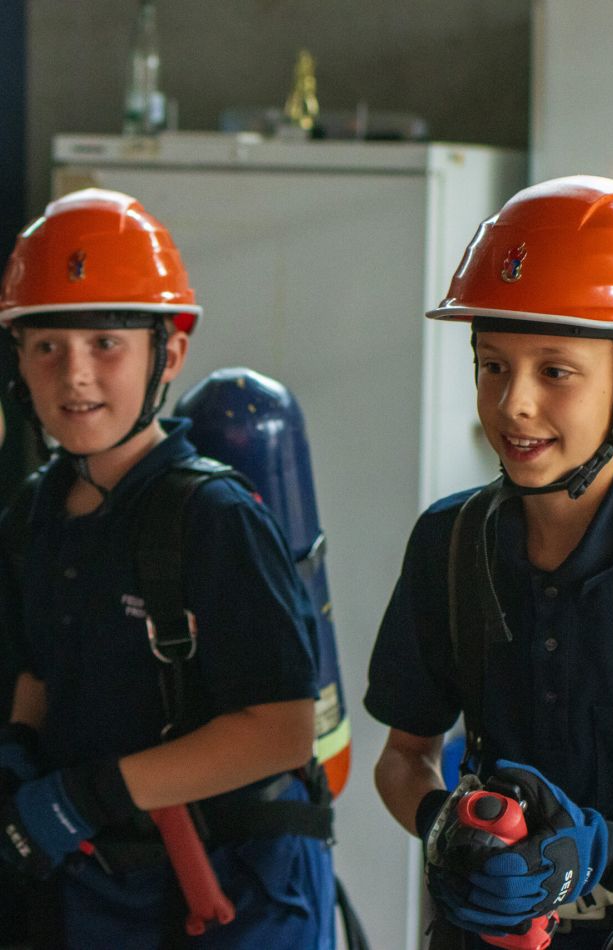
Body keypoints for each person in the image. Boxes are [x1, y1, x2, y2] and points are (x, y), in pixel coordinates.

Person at [364, 175, 613, 950]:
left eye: (555, 371)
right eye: (492, 366)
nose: (513, 404)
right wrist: (443, 824)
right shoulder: (451, 542)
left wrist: (611, 852)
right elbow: (403, 759)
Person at [0, 188, 336, 949]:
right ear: (18, 360)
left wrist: (90, 794)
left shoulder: (213, 519)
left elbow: (282, 731)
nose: (75, 375)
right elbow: (39, 663)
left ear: (169, 354)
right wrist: (20, 748)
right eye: (47, 345)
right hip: (95, 890)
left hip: (232, 893)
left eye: (106, 344)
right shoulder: (33, 514)